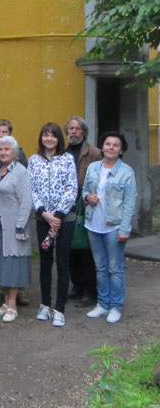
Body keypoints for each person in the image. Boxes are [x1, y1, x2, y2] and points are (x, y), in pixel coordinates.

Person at [28, 122, 78, 328]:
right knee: (45, 262)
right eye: (45, 135)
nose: (49, 139)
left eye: (53, 135)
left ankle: (60, 308)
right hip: (43, 219)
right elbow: (31, 188)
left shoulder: (68, 159)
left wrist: (58, 216)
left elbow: (72, 188)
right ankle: (45, 304)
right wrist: (44, 213)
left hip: (65, 219)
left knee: (63, 263)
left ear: (59, 139)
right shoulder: (34, 160)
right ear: (41, 138)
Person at [83, 132, 137, 324]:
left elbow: (129, 203)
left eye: (115, 145)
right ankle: (103, 304)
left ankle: (115, 306)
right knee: (100, 267)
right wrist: (87, 197)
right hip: (93, 224)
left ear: (121, 150)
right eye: (108, 144)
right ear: (102, 147)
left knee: (115, 268)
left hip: (114, 226)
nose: (111, 147)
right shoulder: (93, 167)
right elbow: (84, 190)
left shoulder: (126, 172)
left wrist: (125, 229)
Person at [0, 118, 29, 307]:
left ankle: (13, 303)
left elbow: (26, 199)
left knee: (14, 261)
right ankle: (2, 297)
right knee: (0, 260)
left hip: (14, 222)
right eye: (0, 149)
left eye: (7, 149)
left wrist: (20, 225)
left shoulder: (20, 168)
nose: (3, 152)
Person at [65, 116, 102, 308]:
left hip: (86, 206)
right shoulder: (62, 152)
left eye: (77, 128)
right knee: (71, 248)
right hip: (67, 206)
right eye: (70, 128)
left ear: (84, 132)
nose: (73, 132)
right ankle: (77, 285)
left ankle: (90, 290)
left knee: (85, 250)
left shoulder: (94, 153)